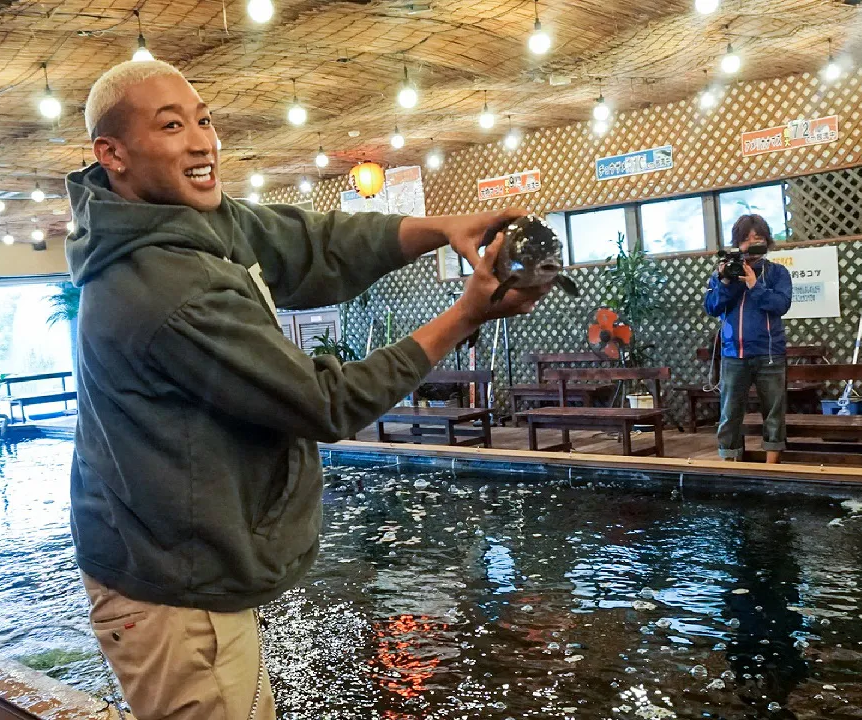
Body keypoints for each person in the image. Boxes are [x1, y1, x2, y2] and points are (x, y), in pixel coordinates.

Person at [67, 60, 551, 720]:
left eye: (203, 119)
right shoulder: (165, 288)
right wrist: (465, 315)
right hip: (171, 594)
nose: (202, 141)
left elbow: (314, 244)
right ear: (113, 154)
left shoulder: (194, 222)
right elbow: (325, 403)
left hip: (184, 566)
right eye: (171, 125)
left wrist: (441, 227)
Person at [704, 215, 794, 463]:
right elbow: (711, 307)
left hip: (769, 353)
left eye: (758, 238)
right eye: (746, 239)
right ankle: (730, 463)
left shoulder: (777, 272)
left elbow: (780, 305)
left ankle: (772, 465)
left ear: (767, 241)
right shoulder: (724, 273)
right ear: (737, 244)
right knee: (729, 412)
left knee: (774, 412)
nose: (752, 244)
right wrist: (725, 281)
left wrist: (755, 285)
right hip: (733, 353)